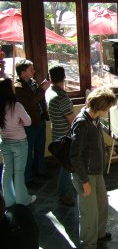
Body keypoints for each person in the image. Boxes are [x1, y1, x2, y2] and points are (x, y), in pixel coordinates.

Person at [70, 86, 117, 248]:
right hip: (85, 174)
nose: (108, 111)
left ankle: (99, 234)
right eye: (108, 108)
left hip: (96, 171)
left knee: (102, 204)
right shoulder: (82, 123)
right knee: (89, 212)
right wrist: (84, 181)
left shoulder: (94, 119)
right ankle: (88, 243)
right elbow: (75, 156)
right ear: (101, 108)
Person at [14, 59, 51, 188]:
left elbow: (38, 98)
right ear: (23, 73)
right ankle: (28, 178)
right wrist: (42, 89)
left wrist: (41, 87)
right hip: (28, 125)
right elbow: (32, 100)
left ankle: (40, 170)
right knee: (28, 151)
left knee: (40, 148)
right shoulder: (18, 87)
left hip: (39, 120)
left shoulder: (33, 82)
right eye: (31, 69)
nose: (34, 71)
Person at [0, 78, 36, 207]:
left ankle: (8, 201)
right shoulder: (16, 105)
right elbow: (28, 121)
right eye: (12, 85)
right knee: (19, 173)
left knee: (7, 171)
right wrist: (19, 122)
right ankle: (22, 200)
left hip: (4, 142)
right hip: (19, 143)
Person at [45, 65, 75, 206]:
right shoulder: (61, 98)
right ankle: (64, 194)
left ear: (50, 78)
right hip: (65, 137)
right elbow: (72, 121)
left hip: (56, 133)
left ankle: (64, 191)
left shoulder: (49, 91)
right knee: (67, 167)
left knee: (64, 165)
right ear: (64, 77)